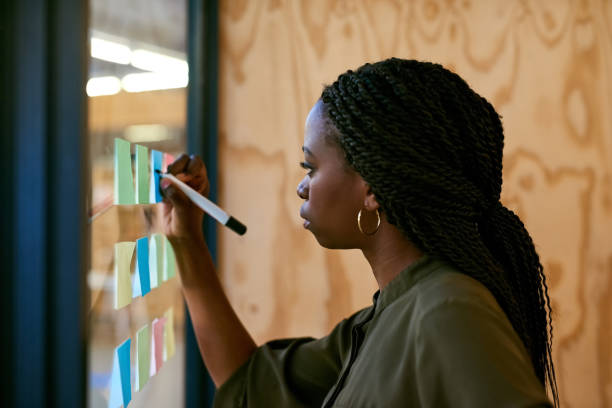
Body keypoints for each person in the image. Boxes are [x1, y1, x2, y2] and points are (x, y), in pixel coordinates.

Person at [160, 58, 558, 407]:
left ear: (370, 188)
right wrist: (187, 241)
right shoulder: (385, 316)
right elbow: (248, 385)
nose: (302, 187)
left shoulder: (448, 308)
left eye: (310, 168)